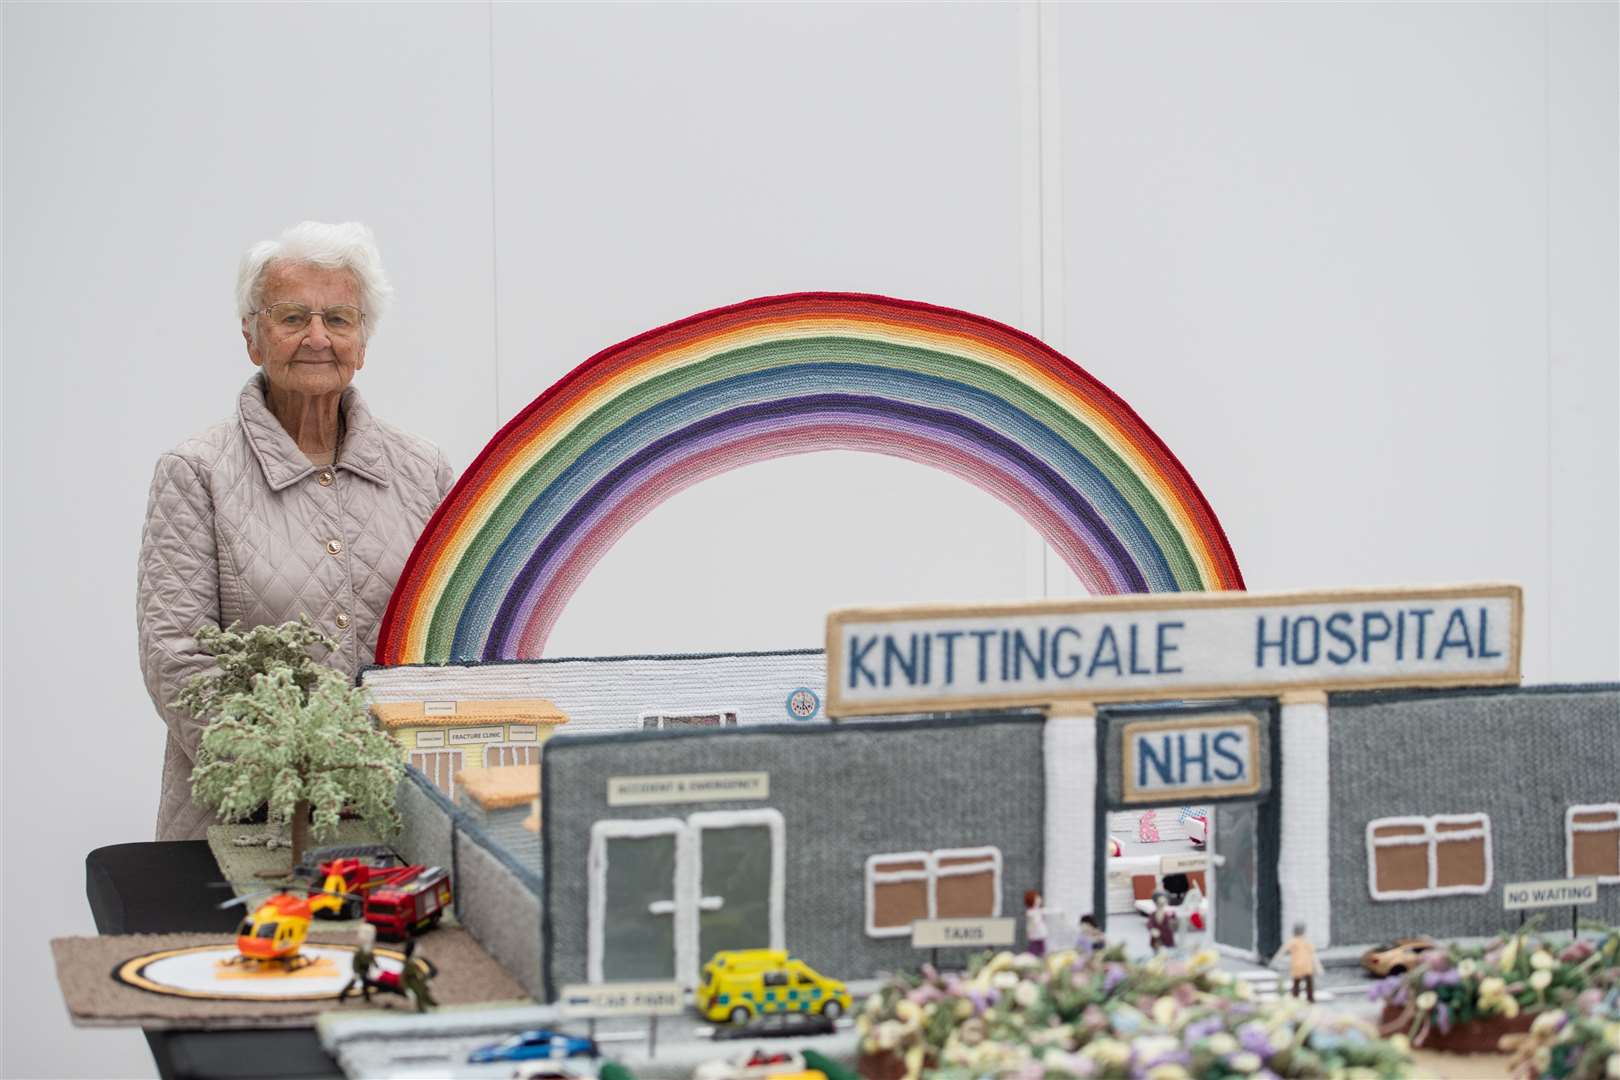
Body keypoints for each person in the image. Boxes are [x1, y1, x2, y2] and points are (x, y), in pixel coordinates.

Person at [138, 221, 455, 841]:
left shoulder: (425, 471)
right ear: (252, 338)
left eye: (338, 319)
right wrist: (296, 779)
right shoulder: (197, 473)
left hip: (403, 819)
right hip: (248, 825)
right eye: (292, 318)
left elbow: (453, 639)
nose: (317, 337)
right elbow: (177, 662)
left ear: (363, 343)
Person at [1276, 921, 1322, 1002]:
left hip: (1297, 967)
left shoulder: (1292, 941)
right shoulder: (1307, 942)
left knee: (1296, 984)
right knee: (1309, 985)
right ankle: (1310, 1000)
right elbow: (1314, 956)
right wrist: (1319, 968)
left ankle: (1295, 1000)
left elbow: (1282, 951)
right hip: (1307, 967)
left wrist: (1276, 961)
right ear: (1304, 931)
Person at [1023, 890, 1048, 957]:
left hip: (1040, 933)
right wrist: (1030, 932)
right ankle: (1030, 958)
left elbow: (1046, 911)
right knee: (1033, 948)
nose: (1039, 899)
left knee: (1041, 948)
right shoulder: (1031, 912)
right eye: (1037, 898)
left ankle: (1041, 957)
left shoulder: (1038, 910)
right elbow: (1031, 924)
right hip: (1035, 934)